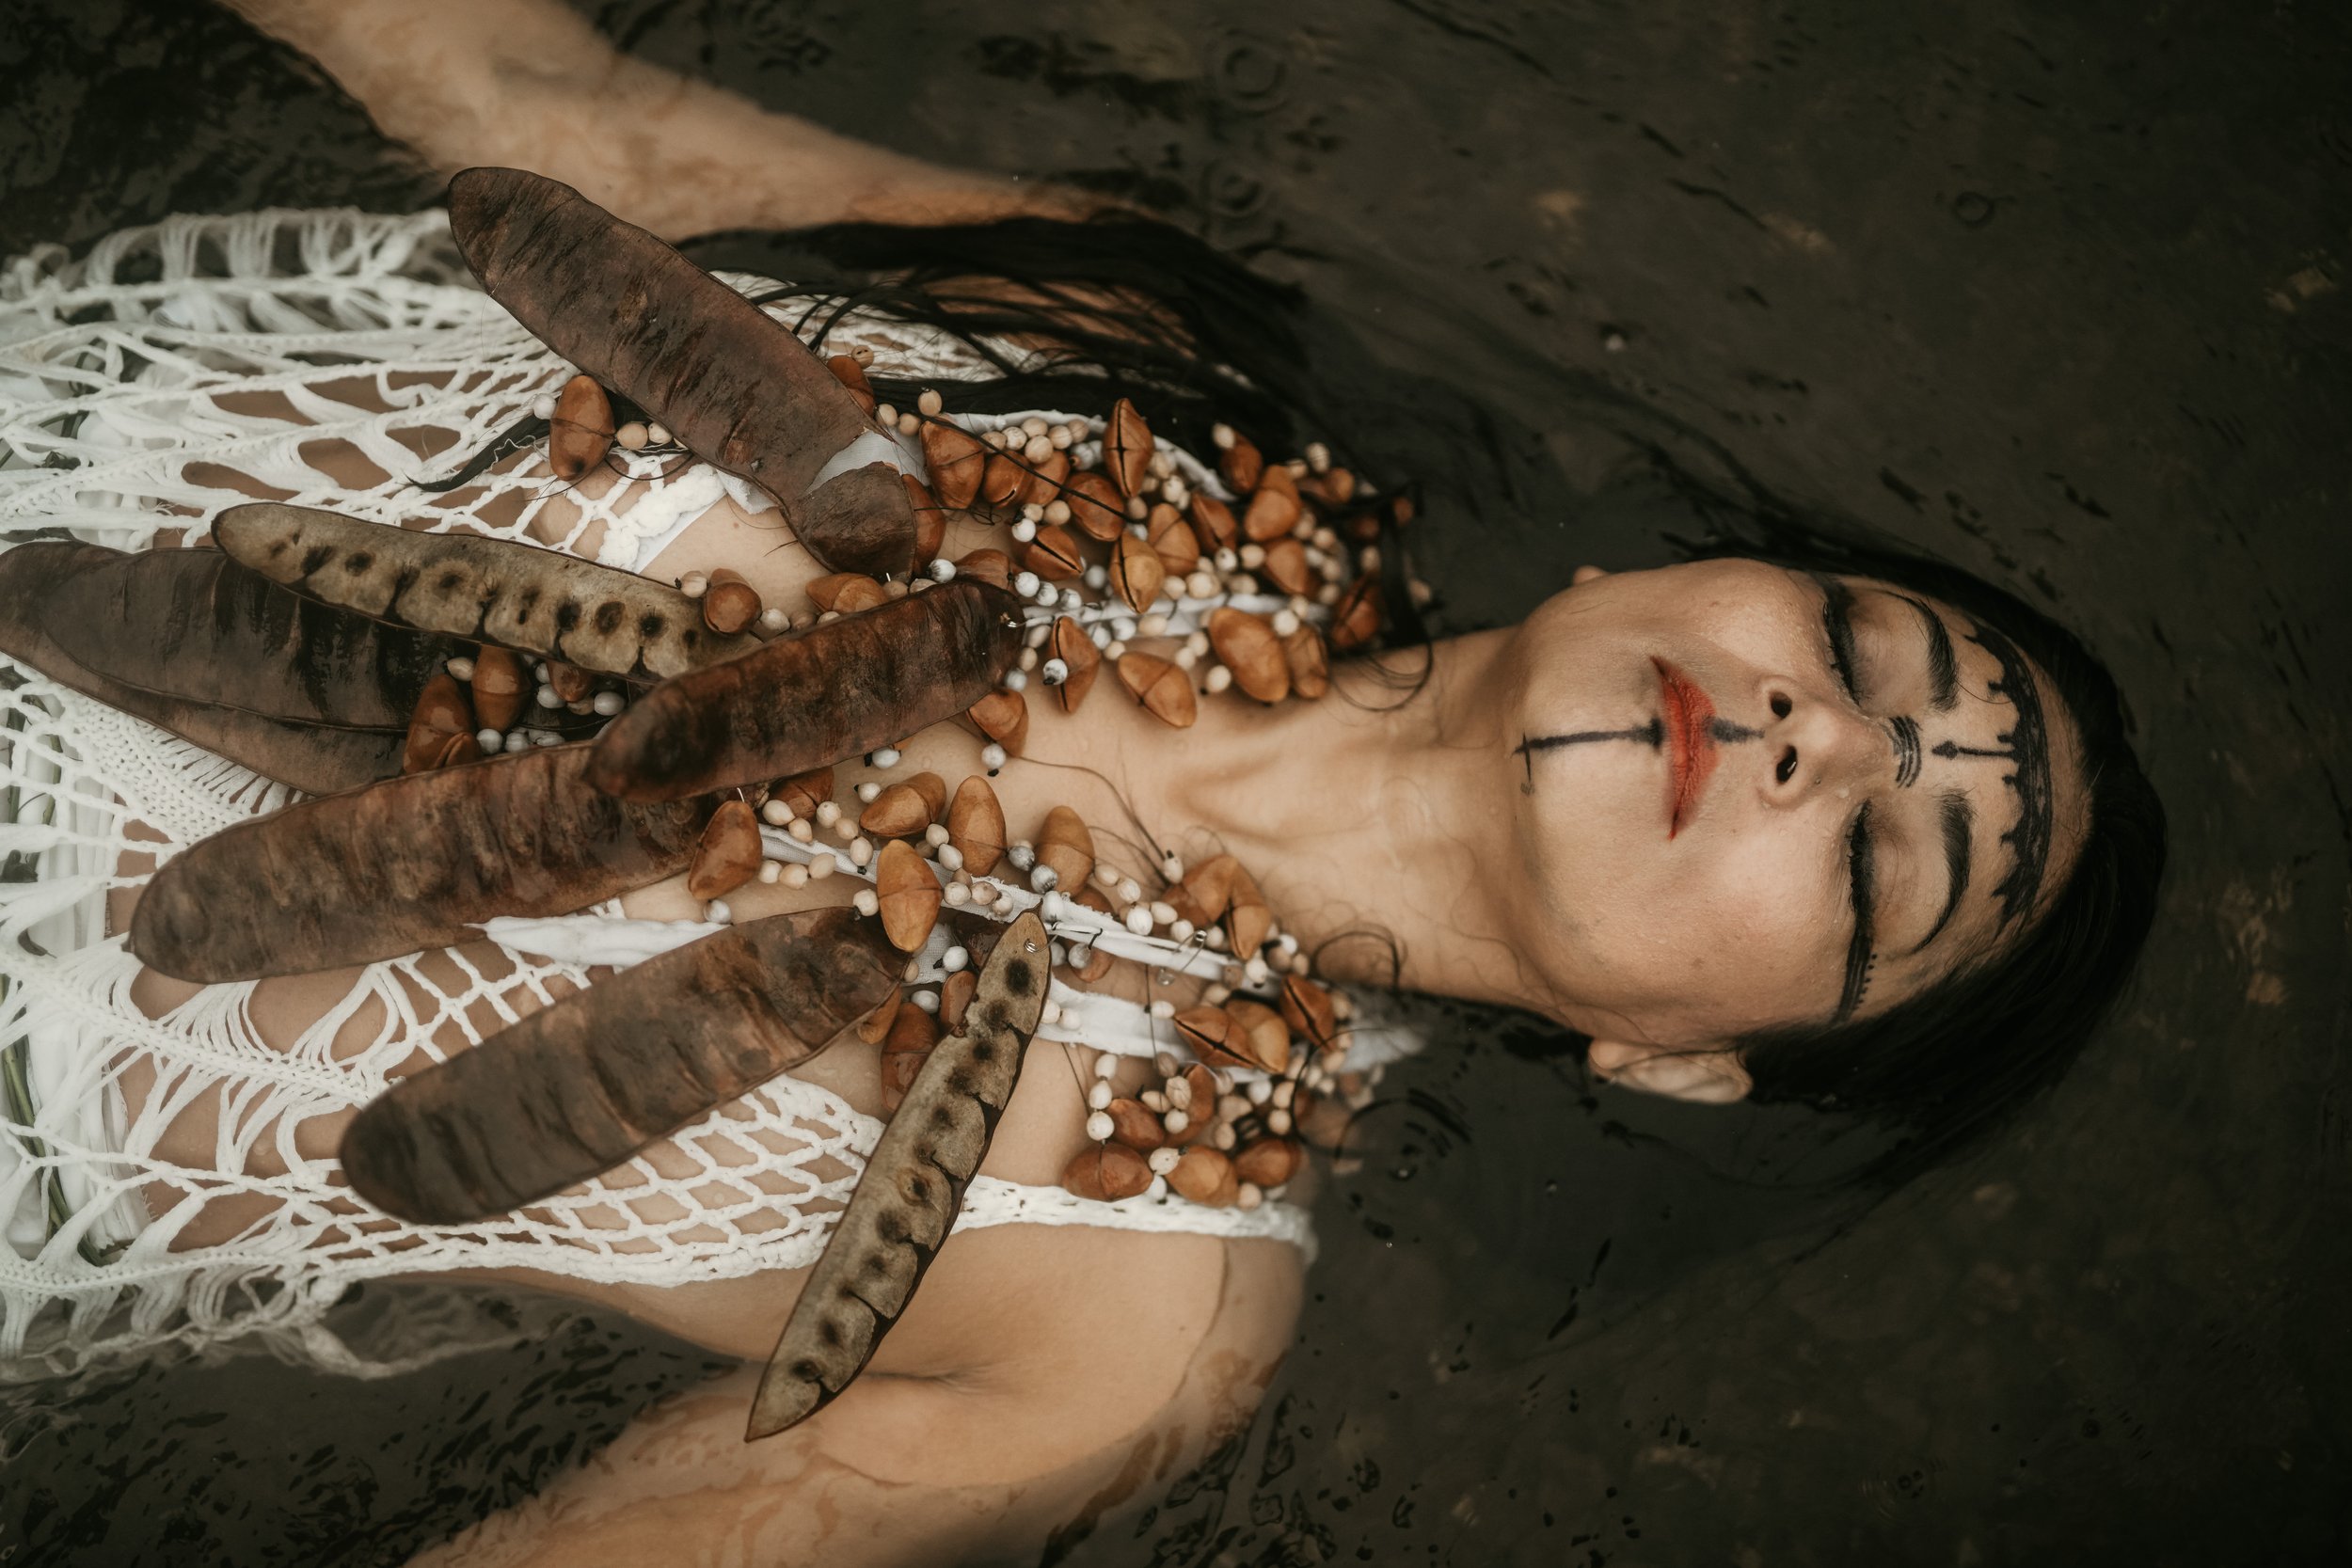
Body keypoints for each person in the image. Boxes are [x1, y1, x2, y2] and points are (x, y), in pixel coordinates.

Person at [0, 2, 2163, 1562]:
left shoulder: (1137, 1324)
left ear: (1680, 1065)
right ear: (1671, 570)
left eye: (1890, 860)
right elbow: (507, 86)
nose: (1826, 739)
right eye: (1863, 651)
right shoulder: (1120, 339)